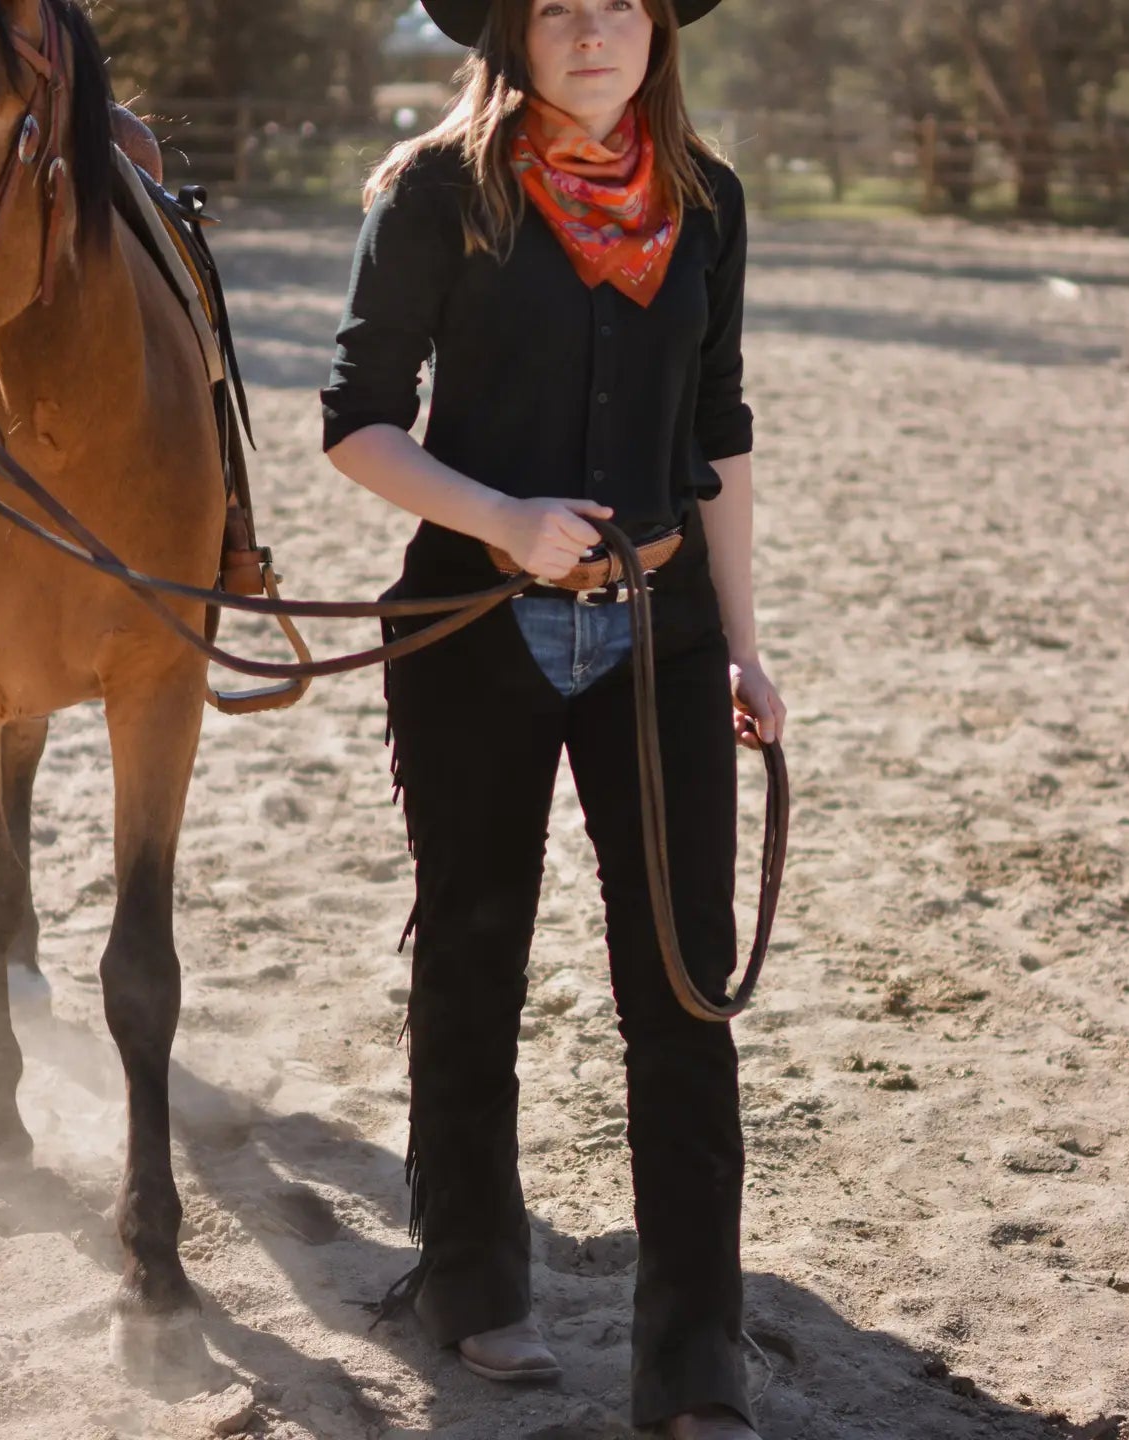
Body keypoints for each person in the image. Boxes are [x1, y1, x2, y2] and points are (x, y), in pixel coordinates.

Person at [322, 1, 786, 1434]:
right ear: (515, 35)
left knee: (684, 988)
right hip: (477, 632)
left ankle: (696, 1352)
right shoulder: (432, 192)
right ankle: (471, 1282)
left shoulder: (710, 202)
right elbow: (357, 419)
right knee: (474, 959)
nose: (593, 30)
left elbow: (720, 430)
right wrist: (504, 520)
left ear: (658, 31)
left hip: (665, 639)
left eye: (620, 3)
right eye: (558, 6)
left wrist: (747, 650)